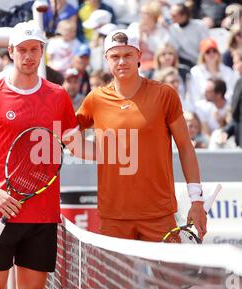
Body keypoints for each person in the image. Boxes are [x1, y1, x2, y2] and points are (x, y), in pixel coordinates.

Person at [0, 21, 78, 289]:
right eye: (22, 50)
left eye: (34, 49)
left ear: (42, 51)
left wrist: (124, 146)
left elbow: (76, 145)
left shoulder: (58, 96)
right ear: (11, 51)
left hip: (43, 215)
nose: (28, 56)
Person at [76, 28, 207, 270]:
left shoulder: (164, 94)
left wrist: (196, 200)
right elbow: (70, 136)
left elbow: (186, 148)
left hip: (159, 215)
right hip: (113, 216)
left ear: (139, 56)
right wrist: (95, 152)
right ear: (106, 60)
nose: (122, 61)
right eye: (115, 56)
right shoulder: (94, 100)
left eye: (128, 55)